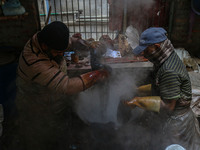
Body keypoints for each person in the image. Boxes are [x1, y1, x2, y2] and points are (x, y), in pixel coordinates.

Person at [14, 21, 110, 150]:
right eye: (57, 52)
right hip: (38, 111)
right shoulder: (34, 62)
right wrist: (97, 75)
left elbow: (70, 43)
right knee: (43, 142)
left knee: (61, 136)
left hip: (54, 101)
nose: (61, 55)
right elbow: (67, 86)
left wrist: (86, 44)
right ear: (44, 46)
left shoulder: (46, 39)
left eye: (62, 51)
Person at [124, 27, 200, 150]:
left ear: (157, 47)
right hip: (173, 119)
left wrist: (137, 101)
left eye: (146, 50)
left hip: (177, 124)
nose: (143, 53)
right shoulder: (167, 57)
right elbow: (158, 86)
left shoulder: (168, 70)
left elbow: (168, 105)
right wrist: (138, 90)